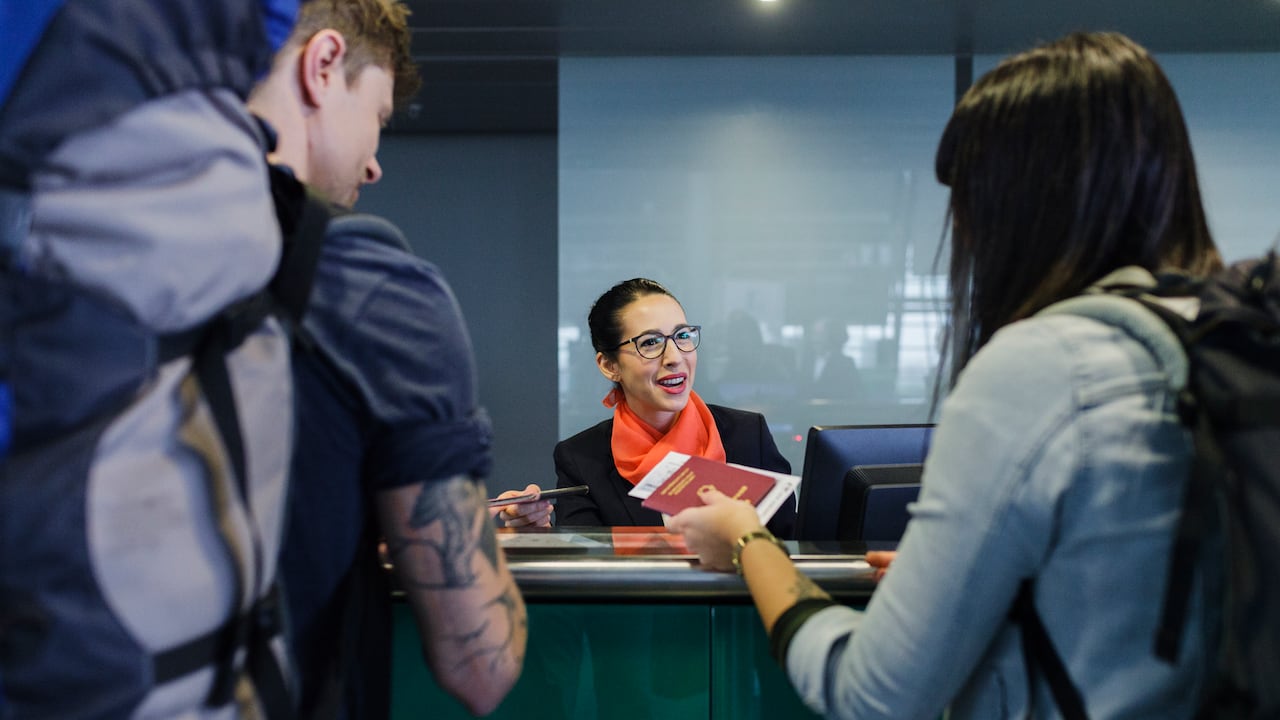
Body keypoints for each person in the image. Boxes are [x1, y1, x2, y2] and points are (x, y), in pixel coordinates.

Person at [670, 31, 1222, 719]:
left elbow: (872, 692)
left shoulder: (1043, 368)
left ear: (1014, 204)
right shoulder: (1228, 344)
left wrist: (750, 544)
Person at [246, 1, 526, 717]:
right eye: (376, 114)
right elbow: (479, 663)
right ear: (323, 65)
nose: (373, 163)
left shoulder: (69, 242)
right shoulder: (371, 280)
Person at [496, 278, 797, 538]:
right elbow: (591, 565)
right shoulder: (581, 458)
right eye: (650, 343)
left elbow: (791, 545)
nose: (674, 357)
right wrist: (538, 532)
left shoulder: (747, 434)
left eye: (682, 336)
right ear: (609, 365)